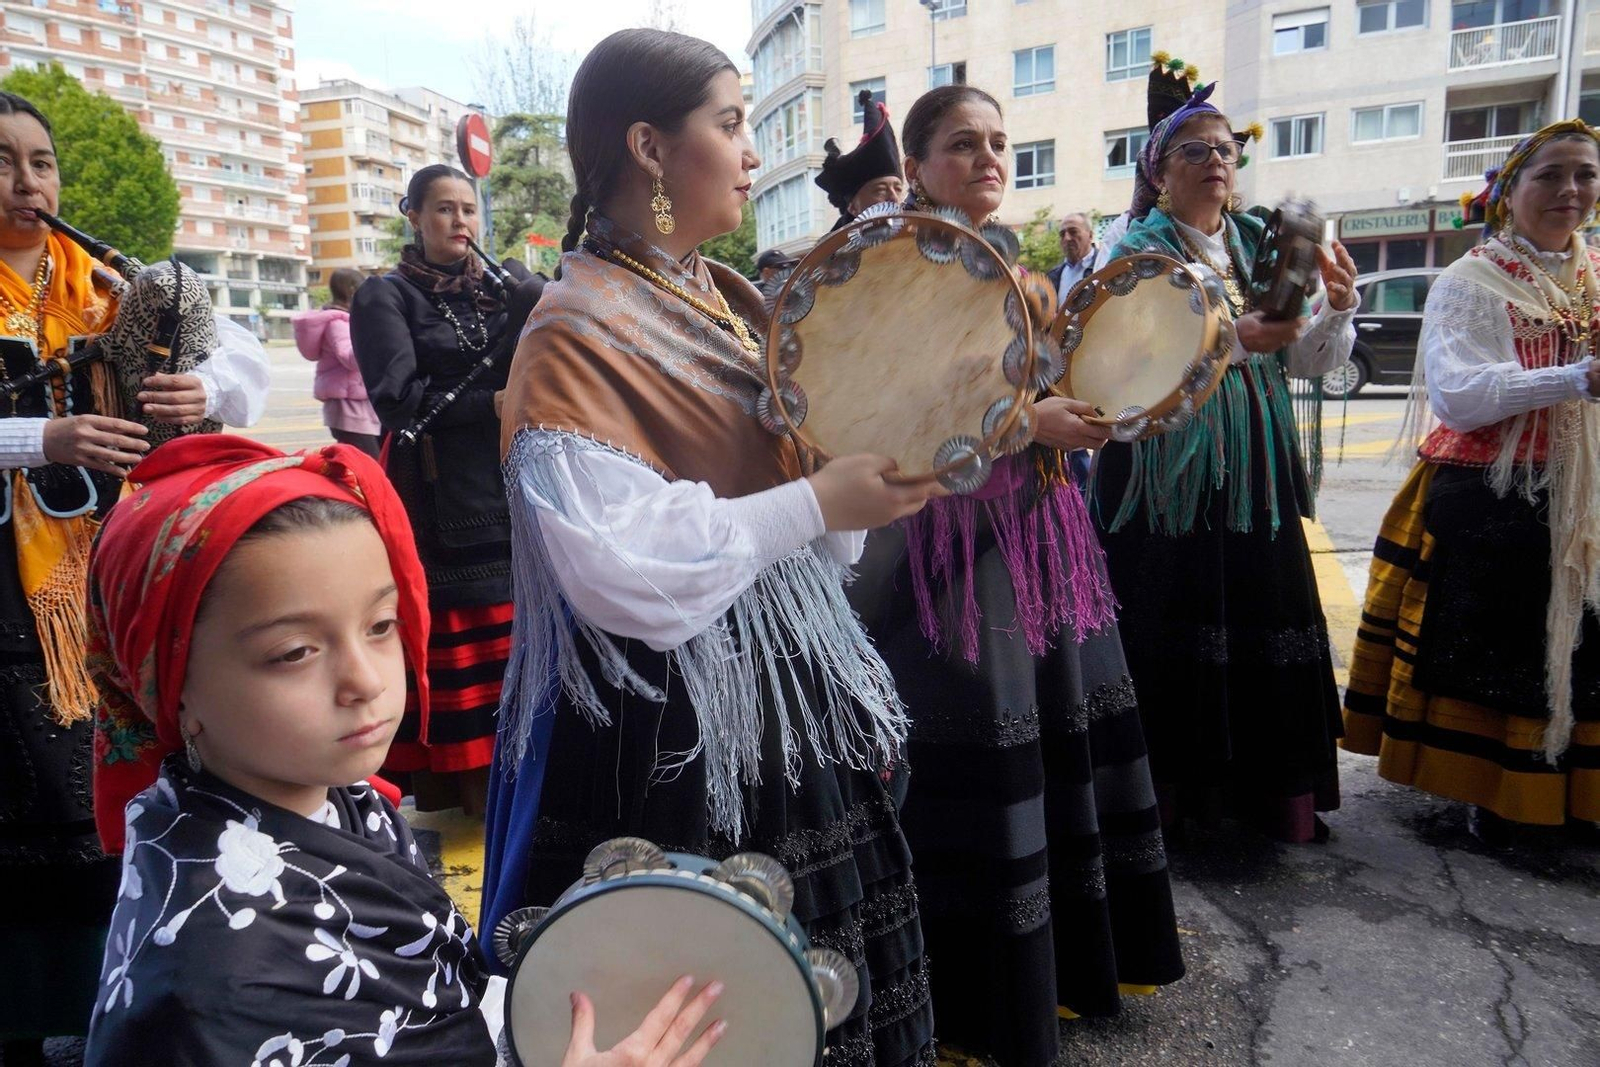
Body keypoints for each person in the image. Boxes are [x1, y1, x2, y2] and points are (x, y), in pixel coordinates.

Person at [486, 29, 940, 1065]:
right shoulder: (572, 327)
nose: (748, 152)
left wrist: (849, 486)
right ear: (649, 146)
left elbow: (800, 495)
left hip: (776, 688)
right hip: (681, 726)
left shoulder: (724, 297)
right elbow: (622, 571)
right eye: (730, 125)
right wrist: (819, 496)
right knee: (713, 1001)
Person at [82, 435, 728, 1066]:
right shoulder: (215, 984)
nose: (365, 681)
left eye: (381, 625)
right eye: (294, 652)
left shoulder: (327, 793)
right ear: (172, 686)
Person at [842, 84, 1184, 1067]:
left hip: (1038, 527)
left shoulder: (1015, 266)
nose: (988, 158)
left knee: (1050, 733)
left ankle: (1065, 968)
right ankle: (975, 998)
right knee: (979, 741)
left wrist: (1083, 403)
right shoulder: (889, 262)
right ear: (914, 163)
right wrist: (1027, 420)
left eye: (998, 142)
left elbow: (1030, 383)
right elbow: (880, 408)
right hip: (945, 546)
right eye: (962, 145)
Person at [0, 90, 268, 1065]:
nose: (29, 182)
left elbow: (232, 351)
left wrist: (202, 388)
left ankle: (113, 1007)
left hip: (108, 580)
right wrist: (45, 435)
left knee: (112, 793)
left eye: (42, 161)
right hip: (6, 595)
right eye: (4, 160)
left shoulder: (112, 280)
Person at [1097, 61, 1360, 845]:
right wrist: (1237, 341)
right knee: (1170, 617)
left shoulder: (1259, 241)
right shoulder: (1132, 248)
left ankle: (1266, 795)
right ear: (1158, 171)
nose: (1216, 160)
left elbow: (1306, 361)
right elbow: (1124, 368)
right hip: (1165, 474)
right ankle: (1175, 800)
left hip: (1256, 472)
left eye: (1227, 149)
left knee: (1262, 612)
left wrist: (1337, 311)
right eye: (1194, 151)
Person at [1342, 121, 1600, 845]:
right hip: (1493, 497)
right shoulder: (1469, 280)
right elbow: (1457, 394)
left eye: (1584, 174)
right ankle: (1504, 799)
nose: (1569, 191)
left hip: (1585, 493)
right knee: (1509, 650)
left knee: (1586, 646)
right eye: (1548, 175)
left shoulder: (1594, 274)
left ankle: (1573, 795)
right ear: (1509, 193)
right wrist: (1577, 376)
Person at [349, 164, 541, 816]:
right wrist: (492, 401)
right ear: (414, 217)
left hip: (513, 487)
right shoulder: (387, 296)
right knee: (467, 635)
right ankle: (471, 791)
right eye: (443, 210)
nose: (460, 222)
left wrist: (532, 304)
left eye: (468, 209)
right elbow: (398, 402)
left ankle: (529, 787)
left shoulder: (501, 290)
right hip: (439, 500)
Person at [295, 266, 380, 458]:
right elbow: (351, 359)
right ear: (351, 290)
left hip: (359, 404)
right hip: (348, 409)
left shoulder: (349, 320)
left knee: (373, 464)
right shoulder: (337, 324)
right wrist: (376, 337)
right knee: (368, 465)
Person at [816, 89, 906, 232]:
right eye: (880, 190)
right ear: (853, 207)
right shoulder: (831, 252)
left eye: (898, 189)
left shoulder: (922, 239)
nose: (894, 198)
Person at [1046, 213, 1102, 308]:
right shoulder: (1052, 277)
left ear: (1090, 235)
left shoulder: (1104, 266)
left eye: (1073, 232)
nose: (1067, 238)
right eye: (1062, 234)